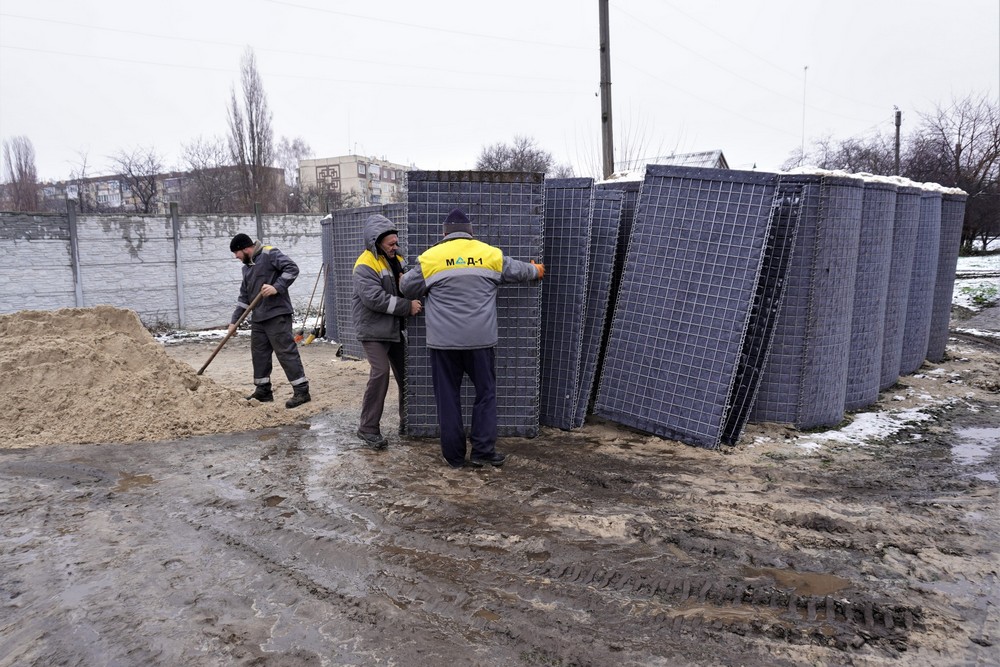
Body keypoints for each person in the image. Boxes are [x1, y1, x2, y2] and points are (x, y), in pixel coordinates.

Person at [400, 208, 544, 469]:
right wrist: (537, 271)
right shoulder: (489, 254)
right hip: (480, 341)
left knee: (448, 398)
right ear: (471, 233)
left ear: (444, 233)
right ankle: (482, 452)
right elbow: (520, 270)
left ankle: (454, 457)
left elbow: (406, 287)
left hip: (443, 344)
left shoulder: (431, 258)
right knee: (486, 394)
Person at [352, 214, 422, 449]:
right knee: (380, 372)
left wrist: (406, 282)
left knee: (407, 375)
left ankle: (408, 422)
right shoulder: (365, 264)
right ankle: (368, 428)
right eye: (391, 244)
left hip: (393, 330)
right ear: (376, 242)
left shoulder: (398, 258)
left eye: (396, 242)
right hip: (372, 330)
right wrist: (407, 306)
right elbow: (374, 299)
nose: (395, 247)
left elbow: (405, 284)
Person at [228, 233, 312, 409]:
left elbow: (292, 268)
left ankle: (301, 391)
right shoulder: (247, 268)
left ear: (245, 248)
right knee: (259, 354)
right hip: (258, 318)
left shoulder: (269, 254)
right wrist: (234, 321)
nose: (236, 257)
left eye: (236, 253)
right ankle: (263, 391)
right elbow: (244, 297)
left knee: (285, 352)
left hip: (277, 314)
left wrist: (277, 287)